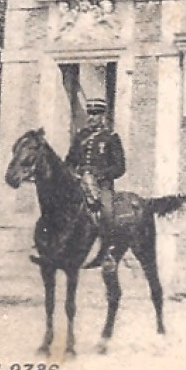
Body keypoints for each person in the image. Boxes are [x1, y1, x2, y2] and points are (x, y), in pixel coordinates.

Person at [69, 97, 126, 269]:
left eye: (96, 114)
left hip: (102, 185)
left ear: (103, 116)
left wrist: (100, 175)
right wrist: (75, 173)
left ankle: (107, 251)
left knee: (107, 212)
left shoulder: (110, 138)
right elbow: (70, 161)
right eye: (90, 114)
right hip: (81, 182)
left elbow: (120, 167)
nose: (91, 118)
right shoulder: (80, 137)